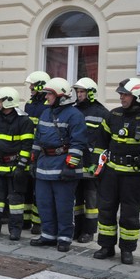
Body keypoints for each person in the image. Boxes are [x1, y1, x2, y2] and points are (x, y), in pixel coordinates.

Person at [92, 78, 140, 265]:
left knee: (129, 214)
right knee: (106, 210)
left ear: (138, 96)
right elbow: (100, 142)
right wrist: (97, 164)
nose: (121, 98)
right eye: (121, 94)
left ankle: (127, 249)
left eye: (125, 94)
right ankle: (106, 246)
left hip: (135, 177)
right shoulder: (113, 115)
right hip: (110, 174)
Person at [28, 78, 88, 252]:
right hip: (44, 165)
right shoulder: (46, 113)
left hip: (63, 166)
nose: (46, 97)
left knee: (63, 205)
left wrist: (71, 166)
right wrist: (34, 159)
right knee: (44, 203)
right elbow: (38, 139)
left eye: (49, 94)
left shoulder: (75, 115)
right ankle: (48, 235)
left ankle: (64, 237)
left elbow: (78, 143)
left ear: (60, 95)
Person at [0, 87, 35, 240]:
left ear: (8, 102)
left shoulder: (24, 121)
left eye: (0, 101)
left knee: (16, 202)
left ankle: (15, 230)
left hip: (16, 168)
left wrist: (21, 167)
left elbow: (27, 146)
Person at [72, 77, 110, 243]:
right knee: (77, 198)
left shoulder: (102, 113)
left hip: (91, 164)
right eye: (78, 92)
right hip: (75, 161)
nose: (79, 95)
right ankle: (77, 228)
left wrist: (97, 163)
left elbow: (105, 141)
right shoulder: (73, 110)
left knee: (91, 200)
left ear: (91, 93)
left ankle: (89, 231)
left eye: (82, 92)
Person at [23, 70, 50, 234]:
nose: (31, 88)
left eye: (33, 85)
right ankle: (25, 220)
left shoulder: (47, 107)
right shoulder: (29, 104)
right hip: (28, 149)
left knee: (38, 190)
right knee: (25, 187)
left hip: (41, 152)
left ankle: (38, 222)